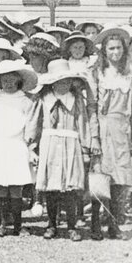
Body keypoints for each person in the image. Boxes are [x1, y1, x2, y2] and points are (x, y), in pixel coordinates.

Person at [26, 59, 96, 242]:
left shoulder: (76, 99)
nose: (63, 85)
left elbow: (82, 122)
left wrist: (85, 147)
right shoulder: (43, 99)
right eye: (59, 81)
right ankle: (51, 224)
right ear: (52, 82)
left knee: (70, 189)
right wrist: (32, 147)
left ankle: (72, 225)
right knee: (51, 188)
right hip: (50, 144)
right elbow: (34, 123)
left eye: (66, 81)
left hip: (71, 145)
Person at [90, 27, 132, 240]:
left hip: (122, 131)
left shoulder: (130, 75)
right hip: (103, 128)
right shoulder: (97, 74)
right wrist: (93, 137)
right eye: (111, 48)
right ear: (104, 51)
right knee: (100, 178)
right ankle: (94, 224)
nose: (115, 52)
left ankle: (114, 225)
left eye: (119, 48)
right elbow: (91, 107)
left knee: (120, 181)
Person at [0, 60, 37, 237]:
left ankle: (17, 225)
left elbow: (31, 125)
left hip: (17, 145)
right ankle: (2, 223)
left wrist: (30, 147)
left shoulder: (25, 101)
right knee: (0, 186)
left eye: (12, 78)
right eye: (4, 79)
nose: (8, 82)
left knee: (16, 186)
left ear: (18, 80)